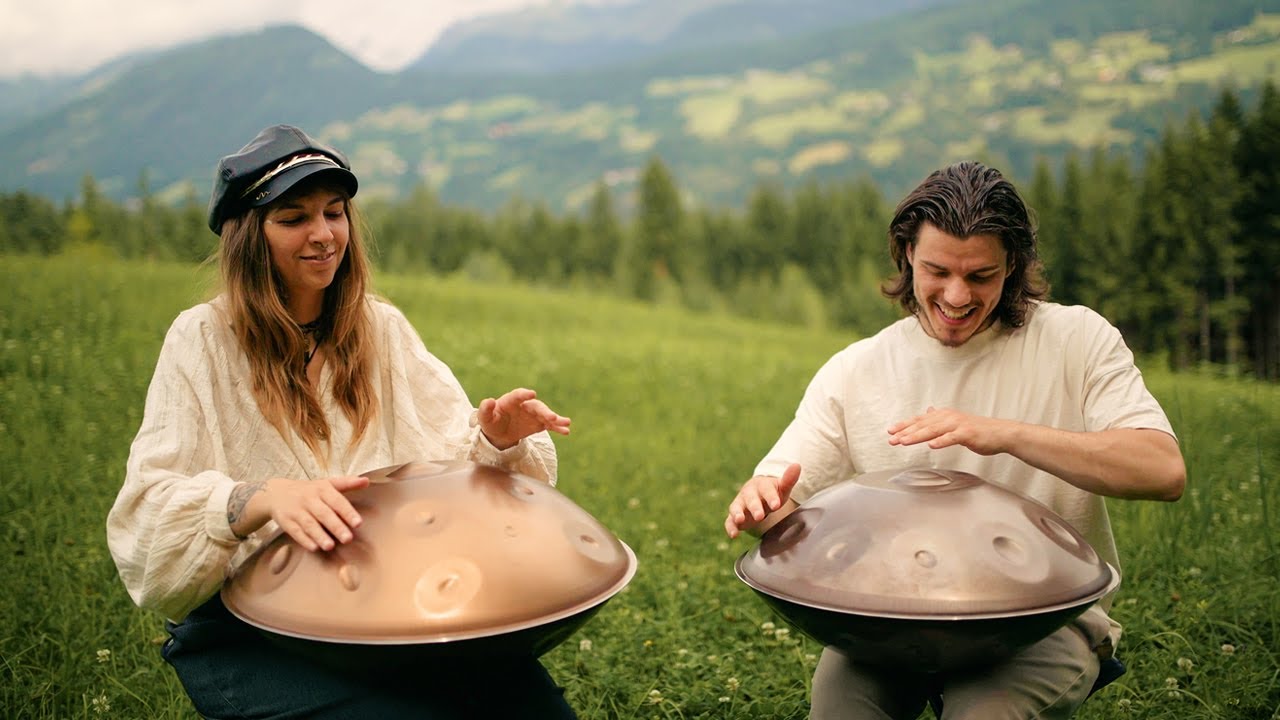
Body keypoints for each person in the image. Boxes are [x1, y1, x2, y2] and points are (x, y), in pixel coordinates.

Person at [107, 124, 577, 719]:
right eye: (294, 218)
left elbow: (439, 482)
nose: (323, 234)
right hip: (259, 628)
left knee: (532, 708)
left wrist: (495, 440)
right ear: (251, 236)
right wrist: (261, 499)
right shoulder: (201, 338)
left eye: (334, 212)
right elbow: (149, 509)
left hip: (388, 605)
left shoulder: (379, 327)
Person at [724, 161, 1186, 720]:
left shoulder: (1076, 340)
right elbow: (787, 509)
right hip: (888, 620)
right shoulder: (857, 369)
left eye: (981, 276)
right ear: (906, 256)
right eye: (937, 271)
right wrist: (762, 506)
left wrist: (1005, 435)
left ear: (1013, 265)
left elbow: (1162, 472)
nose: (957, 295)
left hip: (1039, 623)